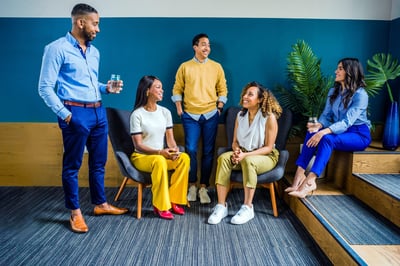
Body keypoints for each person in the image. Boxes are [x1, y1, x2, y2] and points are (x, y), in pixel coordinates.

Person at [38, 3, 128, 234]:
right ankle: (75, 212)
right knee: (72, 165)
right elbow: (45, 87)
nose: (98, 29)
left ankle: (100, 204)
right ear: (80, 22)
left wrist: (105, 88)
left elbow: (89, 84)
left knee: (98, 163)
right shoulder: (56, 49)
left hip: (99, 111)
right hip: (75, 112)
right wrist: (67, 116)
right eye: (95, 23)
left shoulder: (95, 52)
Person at [286, 58, 372, 198]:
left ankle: (310, 181)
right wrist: (319, 125)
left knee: (327, 139)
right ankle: (299, 175)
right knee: (312, 130)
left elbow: (347, 122)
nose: (335, 71)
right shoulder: (334, 91)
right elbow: (326, 115)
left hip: (358, 134)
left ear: (350, 71)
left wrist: (324, 131)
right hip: (339, 131)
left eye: (340, 69)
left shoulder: (361, 95)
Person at [208, 82, 282, 225]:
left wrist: (244, 156)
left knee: (249, 161)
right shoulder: (240, 115)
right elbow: (235, 141)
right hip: (243, 153)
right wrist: (236, 151)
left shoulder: (269, 117)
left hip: (265, 156)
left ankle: (248, 208)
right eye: (245, 93)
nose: (245, 97)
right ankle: (221, 206)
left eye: (250, 94)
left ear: (260, 99)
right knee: (224, 158)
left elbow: (268, 147)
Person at [172, 33, 228, 204]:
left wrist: (219, 108)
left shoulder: (216, 67)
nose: (207, 48)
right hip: (190, 115)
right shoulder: (185, 67)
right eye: (203, 44)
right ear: (195, 47)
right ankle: (192, 186)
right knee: (191, 150)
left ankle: (204, 187)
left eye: (208, 45)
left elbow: (223, 89)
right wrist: (180, 110)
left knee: (209, 152)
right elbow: (177, 89)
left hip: (211, 114)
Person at [130, 76, 190, 220]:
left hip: (160, 155)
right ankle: (160, 205)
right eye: (158, 87)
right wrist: (159, 152)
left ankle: (174, 200)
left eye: (161, 87)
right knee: (159, 161)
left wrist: (175, 151)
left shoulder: (165, 112)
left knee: (184, 158)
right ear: (147, 91)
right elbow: (138, 144)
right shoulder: (137, 114)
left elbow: (170, 140)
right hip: (141, 157)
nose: (162, 90)